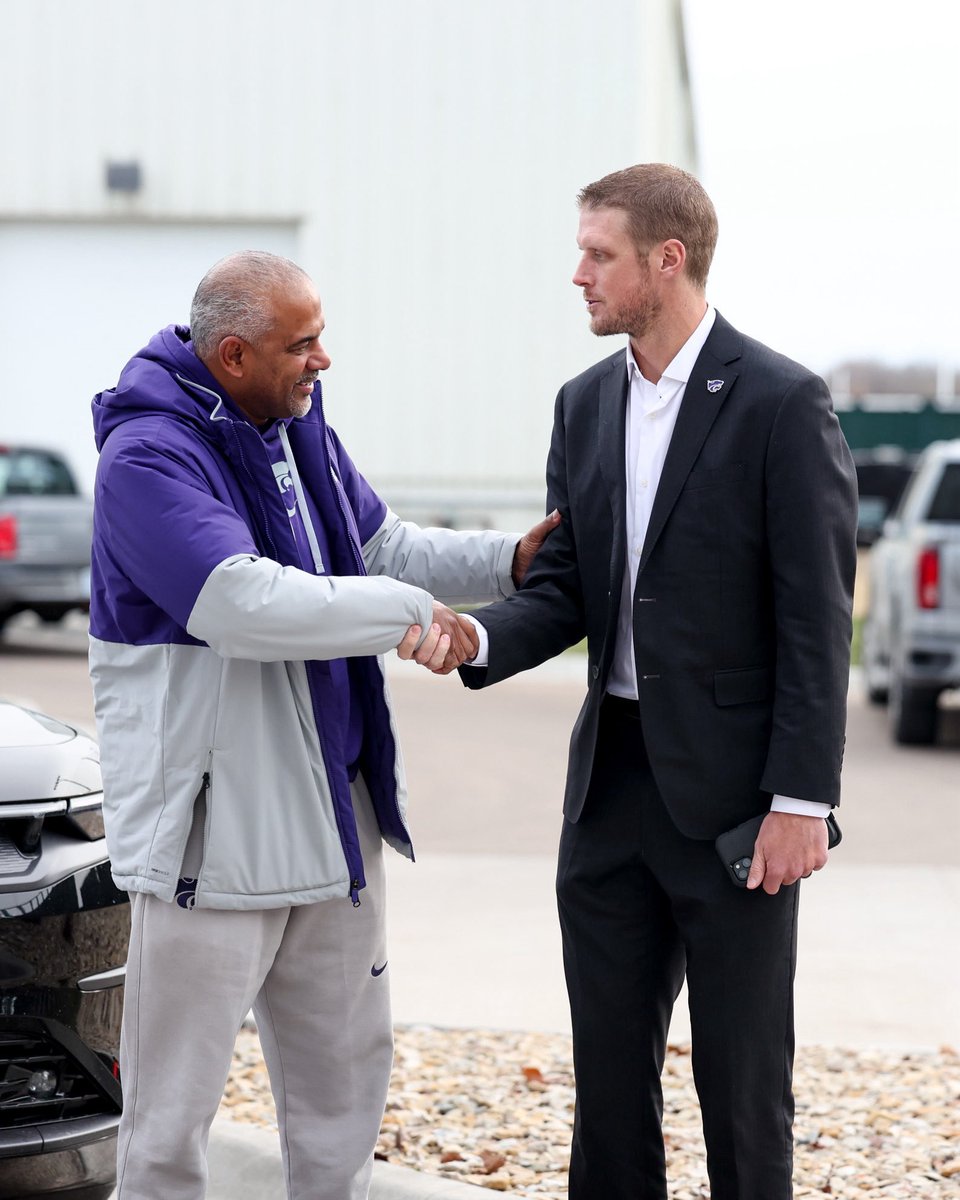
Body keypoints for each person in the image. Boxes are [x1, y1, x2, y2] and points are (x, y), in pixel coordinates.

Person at [87, 249, 558, 1200]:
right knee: (170, 1124)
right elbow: (240, 604)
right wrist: (414, 616)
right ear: (231, 356)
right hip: (212, 845)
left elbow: (377, 545)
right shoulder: (148, 458)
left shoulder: (295, 426)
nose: (322, 360)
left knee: (343, 1098)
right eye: (302, 343)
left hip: (335, 820)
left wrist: (508, 560)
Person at [457, 164, 858, 1199]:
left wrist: (801, 800)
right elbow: (567, 590)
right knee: (608, 1083)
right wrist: (476, 638)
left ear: (665, 262)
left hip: (733, 805)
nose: (578, 275)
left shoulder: (780, 401)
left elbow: (815, 619)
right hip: (610, 796)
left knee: (742, 1088)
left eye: (600, 254)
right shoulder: (583, 404)